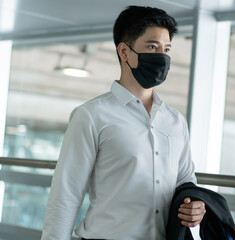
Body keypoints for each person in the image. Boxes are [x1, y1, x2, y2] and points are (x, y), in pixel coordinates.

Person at [41, 5, 206, 240]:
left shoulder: (176, 121)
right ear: (124, 52)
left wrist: (195, 208)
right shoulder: (91, 115)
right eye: (152, 46)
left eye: (166, 48)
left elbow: (185, 181)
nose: (162, 56)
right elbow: (65, 195)